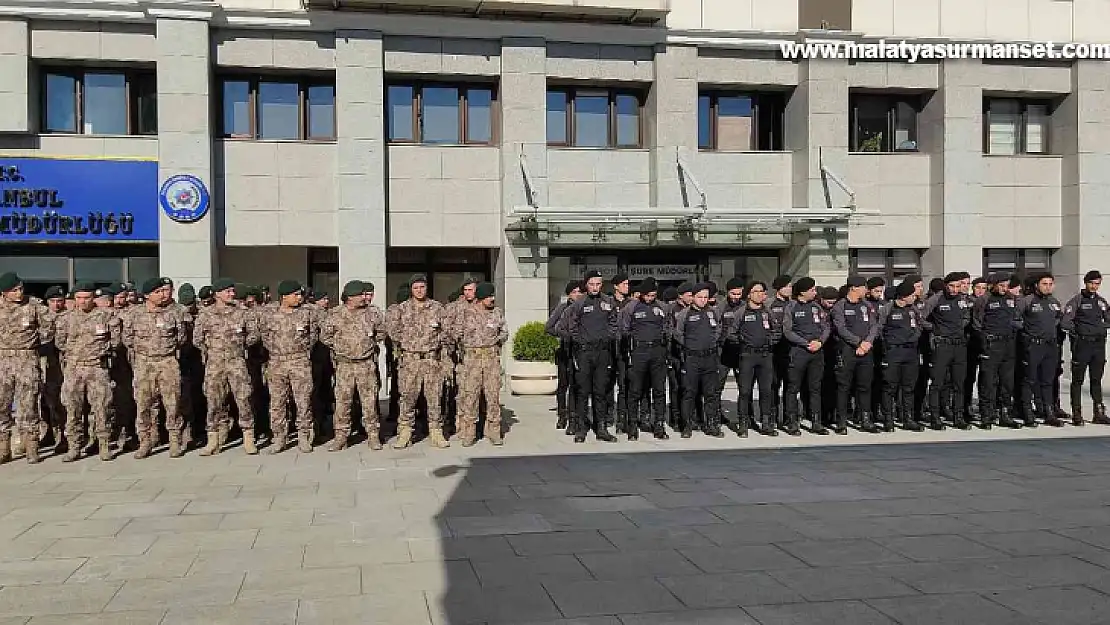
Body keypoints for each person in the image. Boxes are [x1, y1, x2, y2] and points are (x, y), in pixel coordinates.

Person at [123, 277, 189, 459]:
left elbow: (181, 338)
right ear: (147, 295)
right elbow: (127, 338)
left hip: (167, 362)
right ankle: (146, 441)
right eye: (157, 292)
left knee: (172, 403)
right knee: (143, 404)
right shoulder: (134, 314)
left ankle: (175, 441)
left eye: (163, 291)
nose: (162, 295)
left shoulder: (174, 313)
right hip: (144, 363)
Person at [54, 282, 121, 462]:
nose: (83, 302)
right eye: (79, 298)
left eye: (87, 298)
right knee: (72, 409)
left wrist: (100, 352)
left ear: (93, 298)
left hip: (97, 367)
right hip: (74, 368)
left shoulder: (106, 316)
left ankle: (104, 445)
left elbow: (115, 341)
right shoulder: (66, 318)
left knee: (102, 408)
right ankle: (74, 447)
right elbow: (60, 342)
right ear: (74, 299)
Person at [194, 278, 261, 456]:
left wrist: (238, 346)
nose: (232, 294)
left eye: (232, 291)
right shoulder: (206, 314)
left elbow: (253, 335)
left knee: (244, 399)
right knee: (214, 401)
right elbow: (197, 339)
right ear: (217, 294)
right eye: (227, 291)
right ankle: (213, 439)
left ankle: (248, 437)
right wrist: (212, 350)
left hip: (237, 361)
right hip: (215, 363)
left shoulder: (243, 312)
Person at [386, 274, 450, 449]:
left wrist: (437, 350)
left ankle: (436, 432)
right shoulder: (401, 309)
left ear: (426, 288)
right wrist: (409, 344)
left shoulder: (437, 308)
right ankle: (405, 432)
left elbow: (446, 332)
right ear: (411, 290)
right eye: (416, 288)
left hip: (431, 361)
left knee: (434, 398)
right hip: (410, 361)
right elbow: (393, 332)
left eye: (422, 287)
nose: (419, 290)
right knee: (407, 398)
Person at [320, 280, 385, 451]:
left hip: (366, 365)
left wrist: (367, 345)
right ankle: (341, 437)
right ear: (350, 297)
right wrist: (341, 347)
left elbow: (381, 333)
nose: (365, 297)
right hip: (345, 366)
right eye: (361, 295)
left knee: (369, 402)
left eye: (365, 294)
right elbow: (325, 337)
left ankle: (373, 435)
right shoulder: (335, 314)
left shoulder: (372, 313)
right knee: (343, 403)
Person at [258, 280, 318, 453]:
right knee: (277, 402)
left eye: (300, 294)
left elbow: (312, 335)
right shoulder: (270, 314)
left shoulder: (306, 313)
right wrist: (276, 351)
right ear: (284, 297)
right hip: (277, 362)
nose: (299, 298)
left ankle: (304, 436)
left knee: (303, 401)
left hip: (300, 361)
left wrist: (302, 351)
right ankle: (279, 438)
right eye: (296, 295)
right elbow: (265, 335)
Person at [561, 270, 619, 443]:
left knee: (601, 391)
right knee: (582, 391)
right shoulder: (579, 303)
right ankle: (581, 428)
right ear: (586, 285)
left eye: (598, 284)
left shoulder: (608, 302)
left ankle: (601, 427)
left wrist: (607, 337)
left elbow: (614, 323)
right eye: (592, 284)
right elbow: (572, 327)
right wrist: (582, 342)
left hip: (603, 352)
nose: (595, 287)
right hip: (584, 353)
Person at [452, 282, 507, 446]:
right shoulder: (466, 313)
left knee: (493, 396)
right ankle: (469, 432)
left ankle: (494, 431)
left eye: (493, 295)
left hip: (491, 359)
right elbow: (456, 333)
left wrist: (495, 341)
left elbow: (504, 332)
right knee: (471, 396)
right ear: (481, 297)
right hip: (472, 360)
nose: (492, 299)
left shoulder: (497, 312)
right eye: (489, 296)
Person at [620, 277, 669, 440]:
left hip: (657, 351)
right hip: (639, 351)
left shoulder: (662, 307)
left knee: (659, 390)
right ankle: (633, 425)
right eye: (647, 295)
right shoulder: (631, 307)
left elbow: (667, 327)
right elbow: (624, 330)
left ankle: (659, 425)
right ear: (641, 293)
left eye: (653, 295)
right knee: (635, 390)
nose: (650, 298)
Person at [921, 273, 972, 430]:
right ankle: (935, 417)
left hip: (959, 345)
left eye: (958, 286)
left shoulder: (962, 300)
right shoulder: (936, 299)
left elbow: (966, 316)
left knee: (958, 383)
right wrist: (936, 329)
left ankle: (958, 417)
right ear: (945, 285)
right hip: (942, 345)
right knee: (937, 383)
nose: (955, 289)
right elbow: (920, 318)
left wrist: (958, 327)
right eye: (952, 286)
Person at [673, 283, 723, 438]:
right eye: (700, 297)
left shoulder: (713, 312)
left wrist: (710, 343)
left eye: (706, 297)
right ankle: (687, 425)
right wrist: (691, 345)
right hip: (692, 358)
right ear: (692, 297)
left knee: (711, 394)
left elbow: (718, 330)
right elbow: (678, 334)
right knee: (689, 392)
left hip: (710, 358)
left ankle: (711, 424)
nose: (703, 300)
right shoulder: (684, 314)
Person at [831, 276, 880, 434]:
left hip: (866, 351)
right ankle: (841, 421)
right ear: (853, 288)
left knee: (865, 386)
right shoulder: (840, 306)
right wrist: (858, 342)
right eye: (863, 287)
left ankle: (865, 419)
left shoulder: (867, 305)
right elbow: (841, 329)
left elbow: (874, 326)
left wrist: (867, 343)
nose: (865, 290)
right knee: (843, 387)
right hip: (847, 350)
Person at [1015, 272, 1064, 427]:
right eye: (1045, 284)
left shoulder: (1054, 302)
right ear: (1036, 285)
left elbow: (1058, 318)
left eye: (1050, 284)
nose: (1048, 287)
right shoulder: (1026, 301)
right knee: (1029, 380)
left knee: (1048, 380)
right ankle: (1028, 413)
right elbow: (1014, 320)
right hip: (1033, 345)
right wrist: (1027, 333)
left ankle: (1049, 412)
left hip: (1050, 346)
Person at [972, 274, 1020, 429]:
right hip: (991, 344)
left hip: (1008, 343)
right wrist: (984, 340)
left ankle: (1005, 413)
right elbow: (977, 323)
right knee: (988, 381)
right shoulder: (984, 299)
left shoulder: (1011, 298)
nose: (1003, 288)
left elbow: (1017, 317)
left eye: (1006, 285)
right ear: (992, 285)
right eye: (1000, 285)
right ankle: (987, 415)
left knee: (1007, 381)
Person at [782, 277, 829, 436]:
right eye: (812, 290)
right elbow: (788, 331)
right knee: (793, 388)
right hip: (799, 352)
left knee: (815, 388)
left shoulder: (816, 307)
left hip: (817, 352)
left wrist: (820, 342)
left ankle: (816, 422)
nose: (815, 292)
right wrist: (805, 343)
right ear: (802, 291)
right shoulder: (791, 307)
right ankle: (792, 422)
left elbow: (826, 327)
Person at [1061, 270, 1110, 425]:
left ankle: (1099, 412)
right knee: (1078, 381)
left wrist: (1101, 328)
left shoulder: (1101, 302)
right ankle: (1077, 413)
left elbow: (1108, 318)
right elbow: (1066, 322)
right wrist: (1078, 333)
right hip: (1082, 345)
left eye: (1097, 284)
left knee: (1096, 379)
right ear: (1086, 282)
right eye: (1092, 283)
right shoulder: (1077, 300)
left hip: (1098, 345)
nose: (1094, 286)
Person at [731, 280, 778, 437]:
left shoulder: (767, 312)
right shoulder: (741, 312)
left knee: (766, 391)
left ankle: (766, 422)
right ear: (749, 294)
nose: (760, 294)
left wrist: (770, 341)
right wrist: (743, 342)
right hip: (747, 356)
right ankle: (743, 423)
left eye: (762, 292)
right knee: (745, 391)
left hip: (765, 356)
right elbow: (731, 333)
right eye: (756, 291)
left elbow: (777, 330)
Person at [877, 280, 924, 431]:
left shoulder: (913, 309)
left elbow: (919, 325)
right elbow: (879, 329)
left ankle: (908, 419)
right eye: (911, 295)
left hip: (910, 352)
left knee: (909, 387)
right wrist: (887, 347)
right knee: (890, 387)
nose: (914, 298)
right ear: (903, 296)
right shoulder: (887, 309)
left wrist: (914, 337)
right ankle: (888, 420)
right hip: (893, 352)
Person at [546, 281, 581, 433]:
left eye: (580, 292)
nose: (578, 295)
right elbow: (549, 327)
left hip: (580, 351)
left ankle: (577, 415)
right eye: (574, 292)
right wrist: (565, 336)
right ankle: (562, 415)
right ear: (569, 294)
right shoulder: (562, 308)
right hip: (565, 351)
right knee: (563, 385)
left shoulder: (583, 307)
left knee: (577, 385)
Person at [716, 278, 745, 430]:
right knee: (718, 385)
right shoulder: (720, 307)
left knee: (744, 386)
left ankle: (745, 416)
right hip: (723, 350)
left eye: (739, 293)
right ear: (727, 292)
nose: (736, 296)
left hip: (741, 351)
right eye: (733, 293)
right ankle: (716, 415)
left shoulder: (746, 306)